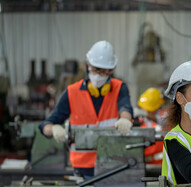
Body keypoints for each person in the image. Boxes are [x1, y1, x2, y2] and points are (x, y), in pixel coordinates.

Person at [39, 40, 133, 178]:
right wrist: (53, 129)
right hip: (83, 169)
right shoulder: (72, 92)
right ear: (87, 65)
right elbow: (45, 125)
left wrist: (125, 119)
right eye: (95, 69)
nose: (97, 75)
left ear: (111, 70)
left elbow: (125, 107)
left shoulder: (120, 88)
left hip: (113, 165)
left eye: (102, 72)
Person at [137, 88, 167, 165]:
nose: (144, 110)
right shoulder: (139, 119)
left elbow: (163, 121)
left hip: (160, 163)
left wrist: (148, 116)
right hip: (142, 162)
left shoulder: (164, 116)